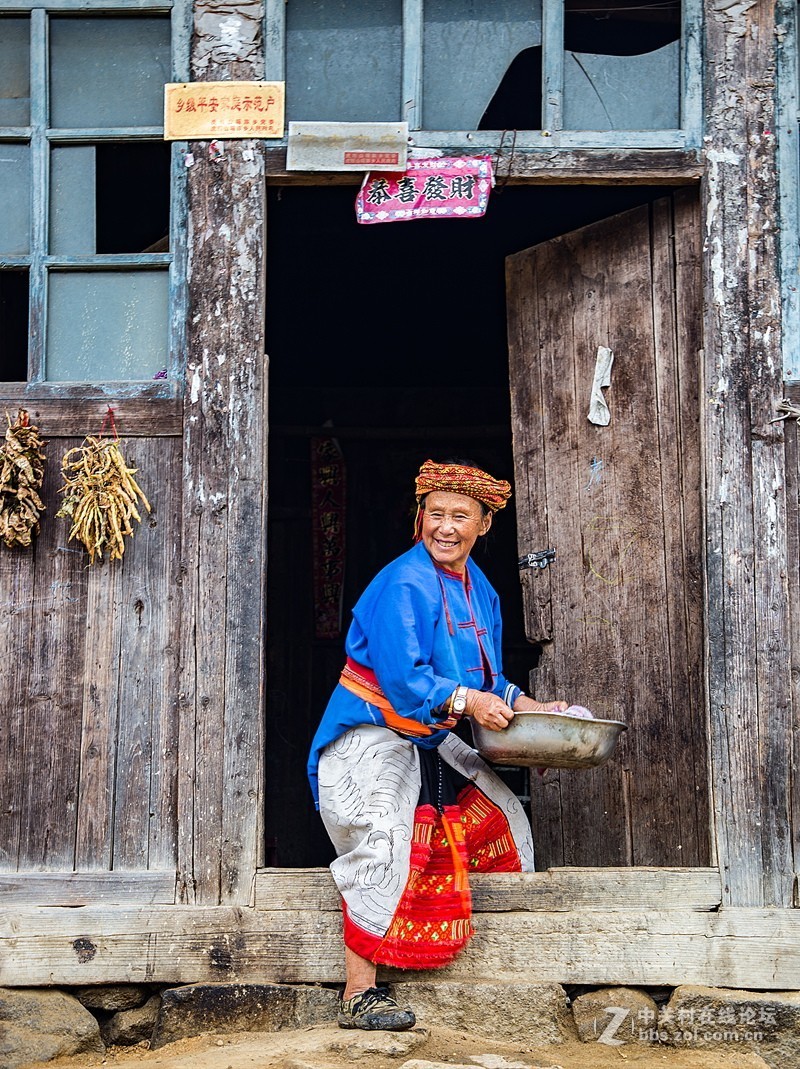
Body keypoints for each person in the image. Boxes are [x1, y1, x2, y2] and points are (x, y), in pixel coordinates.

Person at [307, 458, 568, 1031]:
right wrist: (472, 704)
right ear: (420, 516)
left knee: (503, 820)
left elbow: (487, 680)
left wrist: (533, 712)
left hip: (431, 733)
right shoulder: (403, 581)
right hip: (371, 729)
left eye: (460, 516)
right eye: (435, 514)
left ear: (484, 526)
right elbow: (404, 683)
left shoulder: (483, 592)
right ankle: (359, 993)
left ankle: (496, 968)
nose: (445, 527)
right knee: (382, 839)